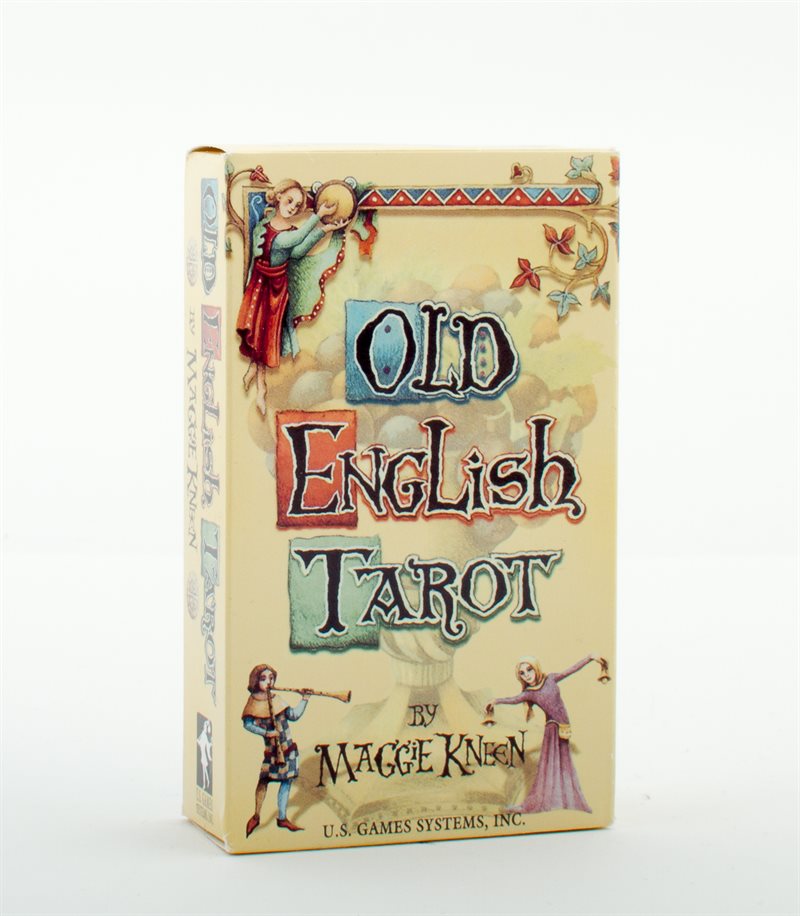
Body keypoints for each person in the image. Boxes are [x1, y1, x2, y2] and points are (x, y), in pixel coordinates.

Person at [236, 179, 347, 415]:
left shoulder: (288, 231)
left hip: (278, 290)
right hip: (262, 287)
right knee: (259, 334)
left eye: (297, 206)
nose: (292, 208)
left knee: (268, 336)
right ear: (278, 197)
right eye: (289, 201)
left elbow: (297, 251)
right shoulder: (266, 227)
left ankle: (258, 378)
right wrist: (318, 216)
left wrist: (324, 230)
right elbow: (292, 241)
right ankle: (260, 385)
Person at [485, 654, 608, 814]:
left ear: (536, 668)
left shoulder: (550, 679)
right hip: (553, 728)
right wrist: (496, 701)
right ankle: (543, 801)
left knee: (564, 764)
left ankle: (563, 800)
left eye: (529, 670)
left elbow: (571, 670)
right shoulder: (529, 693)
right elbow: (514, 699)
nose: (527, 675)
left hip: (564, 728)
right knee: (551, 764)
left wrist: (589, 658)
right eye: (522, 673)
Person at [242, 663, 311, 836]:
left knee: (286, 781)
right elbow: (248, 724)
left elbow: (293, 715)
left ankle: (282, 817)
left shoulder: (277, 699)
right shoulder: (253, 702)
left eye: (271, 678)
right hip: (271, 752)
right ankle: (256, 815)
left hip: (288, 750)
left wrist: (304, 699)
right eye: (264, 678)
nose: (269, 682)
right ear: (256, 680)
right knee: (263, 781)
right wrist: (267, 733)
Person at [196, 719, 212, 791]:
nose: (205, 727)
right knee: (205, 770)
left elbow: (207, 745)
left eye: (206, 726)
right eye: (205, 726)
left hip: (204, 755)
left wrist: (211, 743)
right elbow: (199, 741)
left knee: (204, 770)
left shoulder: (204, 735)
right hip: (203, 754)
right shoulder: (203, 734)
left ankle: (204, 784)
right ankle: (208, 781)